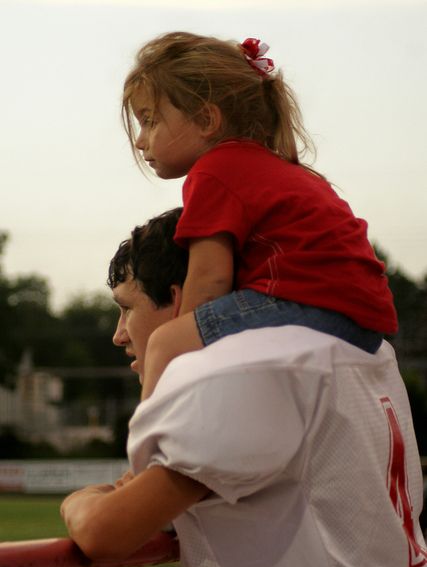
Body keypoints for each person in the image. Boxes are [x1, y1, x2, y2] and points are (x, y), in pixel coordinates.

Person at [61, 209, 427, 567]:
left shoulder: (241, 378)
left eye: (127, 308)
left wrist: (81, 500)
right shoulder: (357, 347)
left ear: (178, 299)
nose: (119, 334)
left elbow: (107, 533)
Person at [120, 31, 398, 401]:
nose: (141, 140)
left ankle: (153, 448)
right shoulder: (278, 168)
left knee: (164, 343)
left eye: (150, 121)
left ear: (206, 119)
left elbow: (208, 279)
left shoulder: (214, 170)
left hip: (313, 306)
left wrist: (187, 333)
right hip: (365, 322)